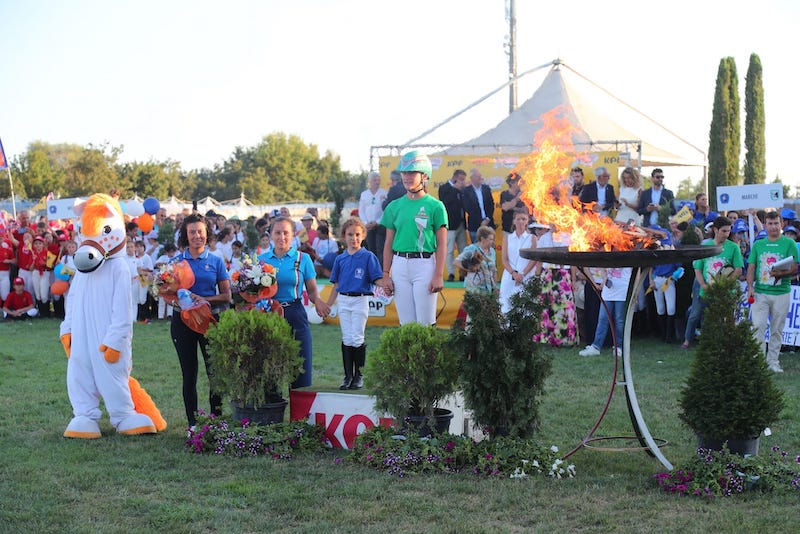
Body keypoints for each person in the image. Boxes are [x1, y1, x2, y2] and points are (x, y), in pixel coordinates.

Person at [169, 214, 232, 427]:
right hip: (182, 324)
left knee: (214, 372)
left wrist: (204, 299)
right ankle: (193, 424)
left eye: (201, 232)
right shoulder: (175, 262)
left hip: (210, 321)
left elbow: (226, 296)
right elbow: (167, 294)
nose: (197, 236)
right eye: (192, 232)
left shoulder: (216, 260)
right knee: (189, 373)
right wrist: (178, 302)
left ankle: (216, 420)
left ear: (207, 234)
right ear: (186, 236)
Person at [258, 217, 330, 388]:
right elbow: (254, 290)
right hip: (269, 314)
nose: (281, 237)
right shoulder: (261, 259)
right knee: (269, 363)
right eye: (277, 233)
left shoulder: (303, 259)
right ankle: (272, 407)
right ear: (271, 235)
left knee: (300, 363)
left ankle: (300, 411)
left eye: (285, 233)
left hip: (295, 312)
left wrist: (318, 301)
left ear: (292, 235)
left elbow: (312, 290)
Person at [380, 151, 448, 326]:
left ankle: (427, 355)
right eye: (404, 173)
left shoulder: (436, 206)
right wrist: (385, 274)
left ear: (424, 175)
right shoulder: (393, 207)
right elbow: (388, 244)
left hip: (424, 265)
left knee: (425, 323)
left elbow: (442, 244)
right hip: (400, 265)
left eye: (412, 172)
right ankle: (407, 355)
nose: (406, 177)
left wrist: (438, 275)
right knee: (406, 324)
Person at [325, 218, 383, 390]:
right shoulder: (340, 259)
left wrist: (387, 284)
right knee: (346, 337)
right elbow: (336, 285)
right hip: (343, 299)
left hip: (360, 299)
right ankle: (347, 376)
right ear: (344, 236)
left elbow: (377, 278)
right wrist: (328, 305)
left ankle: (359, 375)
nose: (354, 238)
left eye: (357, 235)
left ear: (363, 235)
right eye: (350, 235)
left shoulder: (368, 257)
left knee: (357, 337)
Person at [746, 211, 799, 373]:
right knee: (758, 327)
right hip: (760, 292)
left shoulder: (789, 244)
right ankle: (758, 361)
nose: (773, 227)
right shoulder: (758, 244)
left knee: (777, 329)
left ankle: (773, 362)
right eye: (770, 223)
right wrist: (750, 288)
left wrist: (780, 274)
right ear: (766, 224)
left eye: (776, 223)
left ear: (781, 224)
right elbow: (751, 267)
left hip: (781, 292)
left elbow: (795, 268)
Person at [681, 216, 743, 349]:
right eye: (724, 231)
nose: (727, 234)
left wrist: (725, 284)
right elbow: (698, 268)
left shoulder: (733, 247)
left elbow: (738, 270)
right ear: (715, 229)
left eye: (728, 231)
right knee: (696, 315)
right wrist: (703, 285)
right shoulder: (705, 246)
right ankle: (689, 340)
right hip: (705, 289)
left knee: (725, 318)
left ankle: (725, 344)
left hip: (725, 291)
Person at [579, 267, 632, 357]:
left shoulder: (626, 254)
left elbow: (635, 272)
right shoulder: (608, 254)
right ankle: (596, 346)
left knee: (619, 319)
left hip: (623, 289)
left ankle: (619, 346)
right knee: (603, 318)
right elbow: (603, 269)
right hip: (608, 290)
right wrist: (604, 280)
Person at [648, 226, 681, 343]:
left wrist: (673, 277)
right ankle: (663, 335)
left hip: (668, 280)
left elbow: (680, 269)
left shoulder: (670, 249)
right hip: (657, 280)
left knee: (671, 307)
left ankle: (669, 335)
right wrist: (651, 281)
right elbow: (651, 268)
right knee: (660, 308)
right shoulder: (654, 249)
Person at [499, 209, 536, 313]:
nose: (521, 222)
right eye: (518, 219)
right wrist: (514, 274)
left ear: (527, 221)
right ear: (514, 221)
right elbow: (504, 260)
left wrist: (522, 274)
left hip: (526, 276)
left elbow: (533, 260)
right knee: (506, 306)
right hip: (509, 276)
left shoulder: (532, 238)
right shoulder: (507, 238)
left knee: (526, 308)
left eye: (523, 219)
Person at [438, 169, 467, 281]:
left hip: (461, 224)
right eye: (461, 180)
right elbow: (444, 202)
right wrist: (454, 189)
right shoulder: (444, 188)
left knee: (463, 250)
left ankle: (462, 273)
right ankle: (451, 273)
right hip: (450, 224)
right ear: (455, 178)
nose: (463, 182)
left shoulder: (462, 190)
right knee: (449, 250)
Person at [454, 226, 497, 294]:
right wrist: (469, 269)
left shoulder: (492, 251)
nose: (493, 241)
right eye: (490, 239)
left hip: (489, 288)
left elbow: (494, 271)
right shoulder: (472, 249)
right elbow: (456, 262)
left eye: (493, 239)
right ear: (482, 239)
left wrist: (495, 287)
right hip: (474, 288)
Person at [358, 171, 387, 265]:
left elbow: (386, 210)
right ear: (369, 181)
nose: (377, 182)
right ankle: (371, 269)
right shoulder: (364, 194)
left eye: (378, 180)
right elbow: (361, 210)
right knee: (370, 248)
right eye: (374, 180)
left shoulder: (384, 193)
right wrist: (366, 223)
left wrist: (377, 222)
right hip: (368, 226)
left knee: (380, 249)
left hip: (380, 225)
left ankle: (381, 271)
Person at [462, 168, 496, 243]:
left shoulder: (486, 189)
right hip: (475, 226)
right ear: (472, 178)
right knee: (477, 251)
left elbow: (491, 205)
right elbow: (468, 208)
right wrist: (481, 222)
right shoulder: (466, 191)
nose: (480, 178)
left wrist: (487, 219)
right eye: (477, 176)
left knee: (490, 250)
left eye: (480, 176)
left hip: (489, 224)